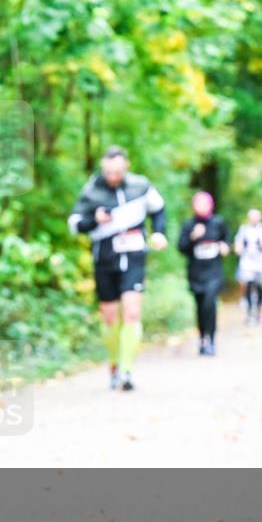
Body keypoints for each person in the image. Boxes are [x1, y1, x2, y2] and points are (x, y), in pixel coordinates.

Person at [69, 146, 167, 391]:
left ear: (126, 167)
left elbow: (159, 209)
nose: (113, 176)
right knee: (110, 316)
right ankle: (113, 365)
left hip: (134, 256)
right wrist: (95, 220)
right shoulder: (92, 190)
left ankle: (126, 371)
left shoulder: (140, 186)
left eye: (117, 172)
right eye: (108, 172)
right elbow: (75, 224)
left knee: (132, 312)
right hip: (105, 258)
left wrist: (159, 233)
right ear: (103, 168)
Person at [177, 192, 230, 356]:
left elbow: (227, 240)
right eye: (198, 204)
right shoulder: (189, 225)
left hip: (214, 271)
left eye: (204, 204)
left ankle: (211, 339)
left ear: (211, 205)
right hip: (196, 272)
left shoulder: (218, 222)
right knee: (200, 305)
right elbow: (181, 247)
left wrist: (224, 246)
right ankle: (202, 338)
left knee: (210, 303)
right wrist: (193, 237)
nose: (201, 207)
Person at [234, 208, 262, 325]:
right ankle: (250, 312)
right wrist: (239, 248)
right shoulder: (243, 230)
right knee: (248, 286)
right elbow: (237, 246)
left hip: (261, 264)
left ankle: (258, 310)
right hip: (247, 263)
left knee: (260, 287)